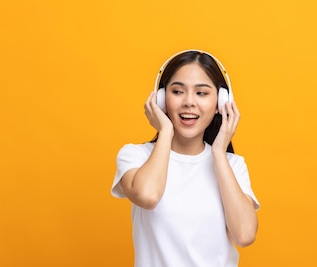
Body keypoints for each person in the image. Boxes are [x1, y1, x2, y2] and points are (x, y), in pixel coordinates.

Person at [111, 50, 260, 267]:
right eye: (178, 91)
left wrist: (218, 152)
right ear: (161, 99)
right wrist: (166, 131)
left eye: (201, 93)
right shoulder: (136, 156)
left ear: (221, 102)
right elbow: (148, 196)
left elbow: (245, 235)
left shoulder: (233, 166)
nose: (189, 102)